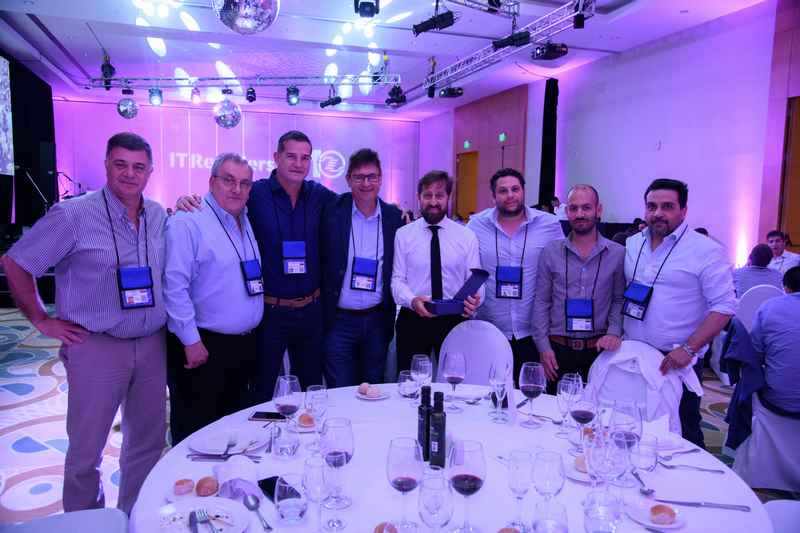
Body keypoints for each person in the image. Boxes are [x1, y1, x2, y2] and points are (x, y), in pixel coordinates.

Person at [0, 132, 167, 514]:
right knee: (86, 450)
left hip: (151, 344)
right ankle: (85, 521)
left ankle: (134, 515)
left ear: (150, 172)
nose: (130, 174)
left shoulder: (158, 215)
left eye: (138, 167)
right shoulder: (73, 215)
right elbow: (16, 263)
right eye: (121, 164)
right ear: (106, 164)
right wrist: (41, 319)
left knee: (146, 444)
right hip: (96, 346)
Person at [176, 131, 336, 400]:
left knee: (311, 387)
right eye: (291, 156)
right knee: (261, 389)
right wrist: (186, 200)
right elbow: (222, 200)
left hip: (310, 311)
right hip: (270, 312)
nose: (298, 164)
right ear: (276, 157)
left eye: (305, 158)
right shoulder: (255, 193)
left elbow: (352, 203)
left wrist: (392, 212)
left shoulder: (319, 195)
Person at [623, 179, 736, 448]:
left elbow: (724, 306)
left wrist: (689, 348)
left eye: (667, 206)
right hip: (633, 357)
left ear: (683, 211)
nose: (658, 213)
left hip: (673, 361)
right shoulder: (632, 244)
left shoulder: (706, 250)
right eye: (652, 206)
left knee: (684, 435)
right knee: (634, 428)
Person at [163, 153, 263, 445]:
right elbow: (174, 286)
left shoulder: (245, 219)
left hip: (242, 347)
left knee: (233, 432)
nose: (237, 189)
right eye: (229, 180)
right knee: (196, 435)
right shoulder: (188, 222)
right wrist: (190, 341)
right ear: (211, 182)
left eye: (244, 183)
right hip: (203, 348)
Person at [467, 168, 563, 385]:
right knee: (489, 394)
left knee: (530, 396)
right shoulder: (476, 225)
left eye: (515, 189)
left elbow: (561, 270)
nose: (510, 195)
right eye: (503, 191)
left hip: (533, 333)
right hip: (489, 329)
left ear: (523, 191)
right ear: (493, 196)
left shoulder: (549, 225)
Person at [320, 149, 403, 387]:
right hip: (339, 321)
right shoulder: (332, 211)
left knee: (373, 387)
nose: (366, 183)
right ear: (348, 180)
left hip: (377, 320)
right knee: (339, 389)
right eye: (359, 177)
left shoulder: (393, 217)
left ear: (380, 179)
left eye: (372, 176)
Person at [532, 185, 625, 392]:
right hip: (557, 351)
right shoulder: (550, 252)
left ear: (598, 210)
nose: (580, 214)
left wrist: (614, 332)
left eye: (586, 207)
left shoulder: (618, 254)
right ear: (566, 212)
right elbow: (541, 302)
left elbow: (619, 299)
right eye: (573, 208)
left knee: (597, 409)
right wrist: (543, 348)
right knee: (555, 409)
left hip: (600, 351)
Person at [392, 170, 483, 373]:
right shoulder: (403, 235)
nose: (433, 202)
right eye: (428, 195)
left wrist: (476, 299)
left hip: (455, 318)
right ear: (418, 197)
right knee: (411, 383)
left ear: (449, 197)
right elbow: (397, 280)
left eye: (439, 195)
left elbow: (475, 279)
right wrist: (412, 301)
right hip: (413, 318)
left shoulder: (466, 236)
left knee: (455, 381)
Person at [733, 266, 800, 491]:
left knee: (751, 377)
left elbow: (755, 354)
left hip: (780, 397)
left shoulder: (771, 307)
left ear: (786, 288)